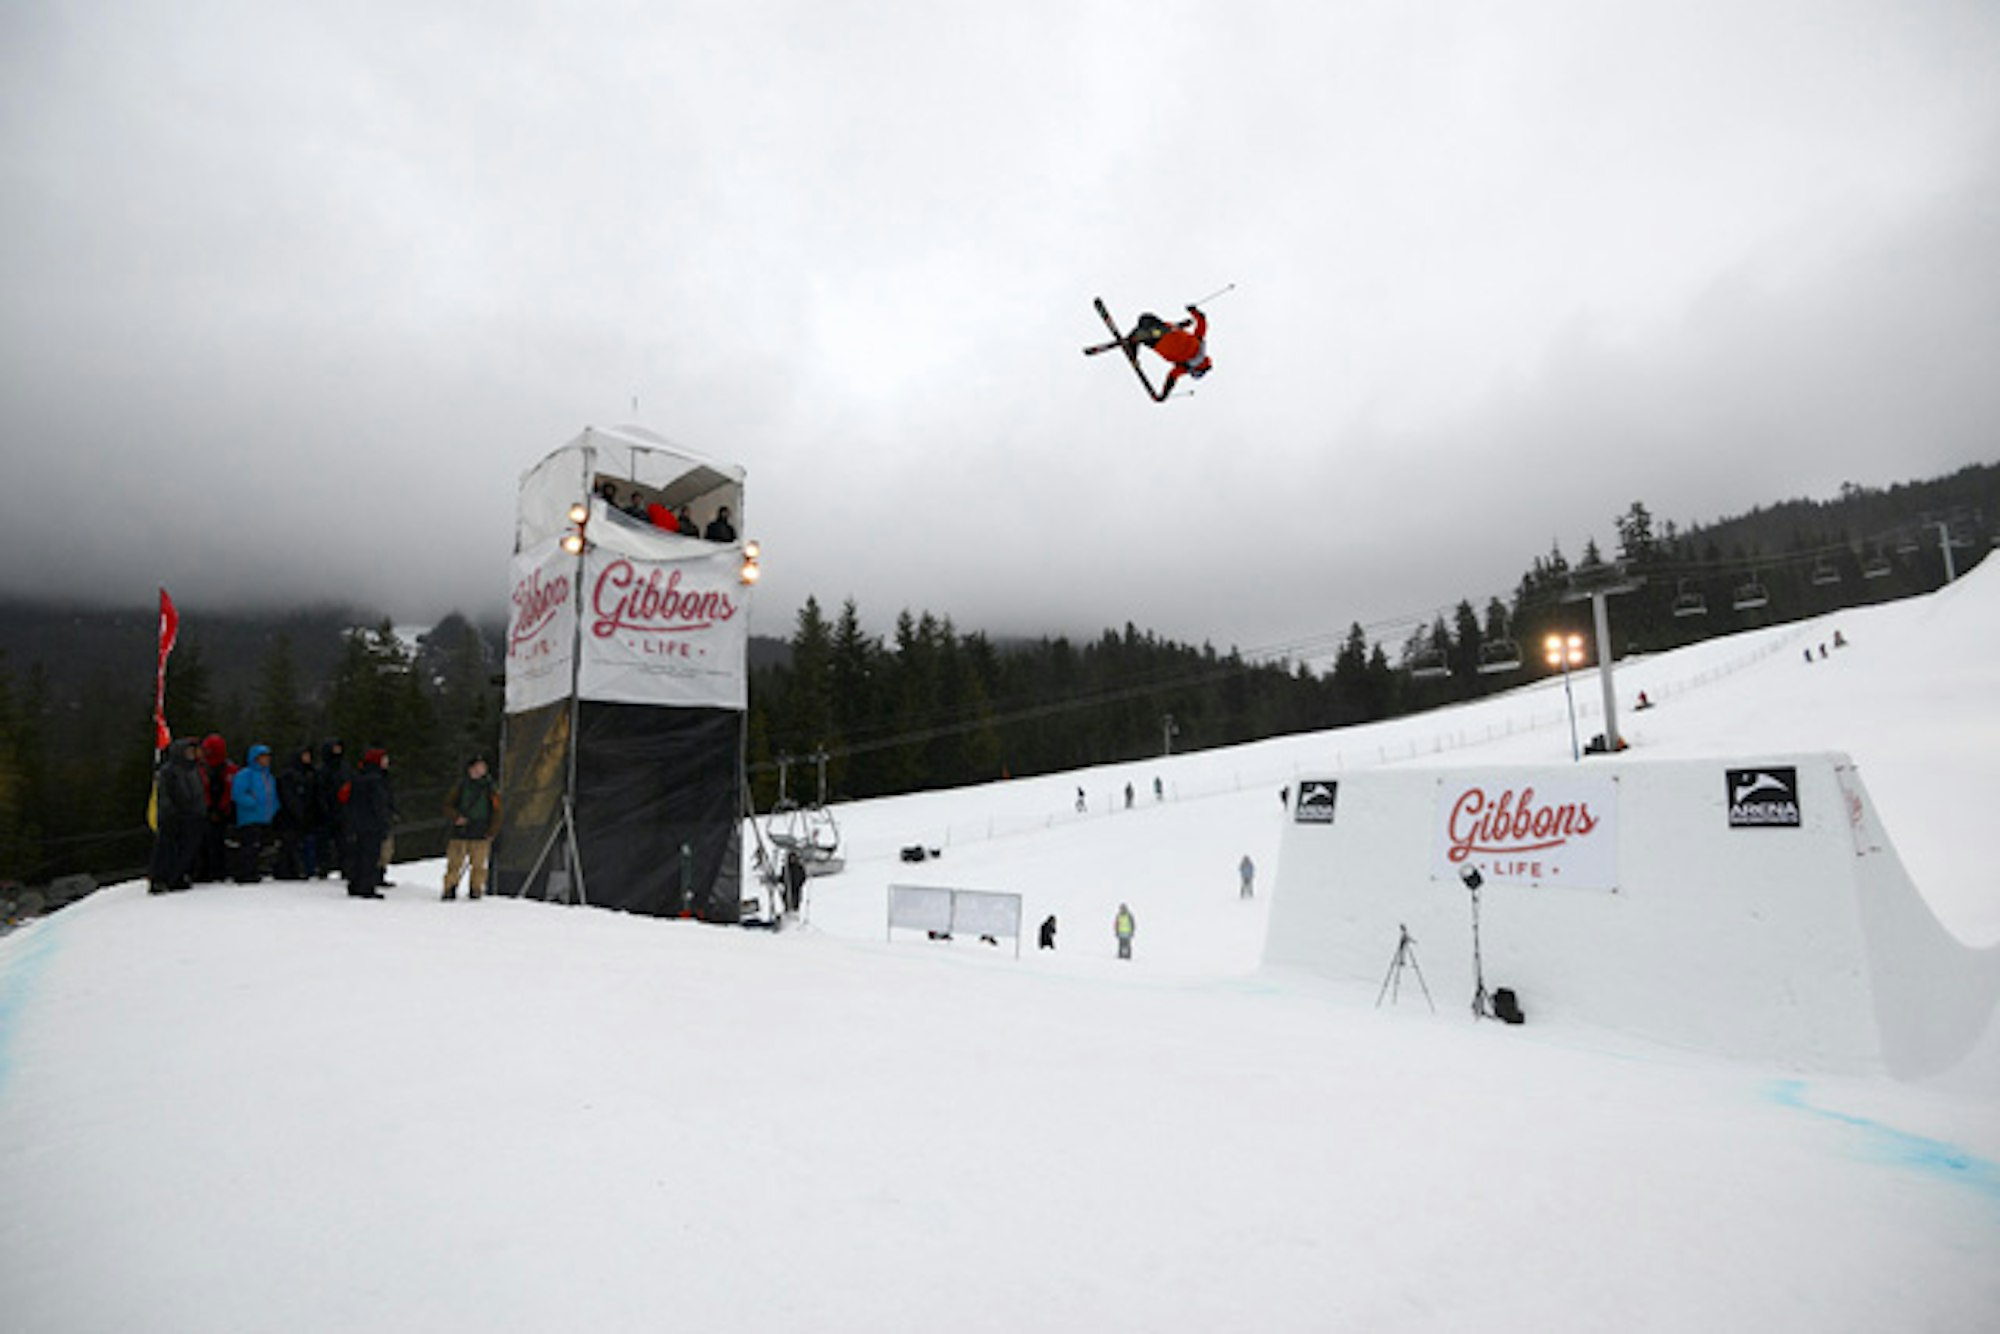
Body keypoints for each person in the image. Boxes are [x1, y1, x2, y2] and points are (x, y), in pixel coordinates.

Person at [148, 737, 206, 893]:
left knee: (186, 849)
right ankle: (159, 878)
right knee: (167, 849)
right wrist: (170, 812)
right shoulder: (169, 770)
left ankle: (177, 876)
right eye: (189, 751)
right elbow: (164, 794)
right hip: (173, 816)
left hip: (191, 815)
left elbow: (198, 793)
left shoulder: (194, 770)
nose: (192, 754)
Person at [441, 755, 500, 901]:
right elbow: (447, 805)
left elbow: (497, 811)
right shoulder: (461, 786)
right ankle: (449, 888)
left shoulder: (491, 788)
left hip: (481, 830)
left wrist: (492, 830)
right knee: (455, 863)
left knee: (479, 865)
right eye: (478, 766)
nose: (481, 769)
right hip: (461, 831)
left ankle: (476, 889)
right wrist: (456, 817)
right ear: (471, 769)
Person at [1128, 305, 1213, 399]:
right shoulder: (1186, 366)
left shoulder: (1199, 341)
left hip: (1163, 330)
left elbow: (1202, 321)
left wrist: (1193, 311)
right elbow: (1172, 377)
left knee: (1145, 318)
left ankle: (1135, 342)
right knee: (1139, 335)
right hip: (1157, 341)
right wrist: (1164, 394)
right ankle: (1133, 348)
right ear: (1197, 370)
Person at [343, 749, 394, 898]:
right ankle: (366, 886)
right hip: (372, 824)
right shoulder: (376, 779)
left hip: (358, 823)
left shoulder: (359, 776)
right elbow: (378, 804)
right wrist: (384, 821)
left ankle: (356, 884)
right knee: (370, 856)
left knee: (359, 854)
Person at [230, 744, 280, 882]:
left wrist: (274, 808)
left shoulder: (269, 777)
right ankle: (244, 873)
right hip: (249, 817)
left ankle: (253, 871)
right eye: (263, 757)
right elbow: (238, 794)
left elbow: (273, 795)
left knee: (258, 847)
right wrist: (253, 803)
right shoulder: (245, 775)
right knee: (248, 846)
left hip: (265, 817)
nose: (266, 760)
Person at [195, 734, 237, 882]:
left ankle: (217, 870)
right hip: (206, 810)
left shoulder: (227, 768)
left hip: (221, 811)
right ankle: (204, 870)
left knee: (217, 842)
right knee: (204, 842)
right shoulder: (201, 767)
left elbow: (229, 789)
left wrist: (220, 809)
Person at [275, 746, 318, 879]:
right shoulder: (289, 775)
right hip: (291, 815)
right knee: (290, 843)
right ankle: (288, 870)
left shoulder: (311, 773)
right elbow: (289, 797)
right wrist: (298, 811)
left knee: (300, 843)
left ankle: (299, 868)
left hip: (306, 814)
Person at [316, 740, 351, 879]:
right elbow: (320, 792)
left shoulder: (345, 768)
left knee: (344, 842)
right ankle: (323, 868)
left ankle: (346, 868)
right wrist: (324, 809)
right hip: (328, 810)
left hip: (343, 810)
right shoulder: (323, 770)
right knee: (325, 843)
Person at [781, 849, 808, 915]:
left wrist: (799, 883)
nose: (792, 860)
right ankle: (788, 911)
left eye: (793, 858)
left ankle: (795, 912)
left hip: (796, 888)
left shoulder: (799, 867)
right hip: (788, 888)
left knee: (796, 901)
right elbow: (783, 877)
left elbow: (803, 876)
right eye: (790, 858)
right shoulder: (786, 868)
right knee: (787, 900)